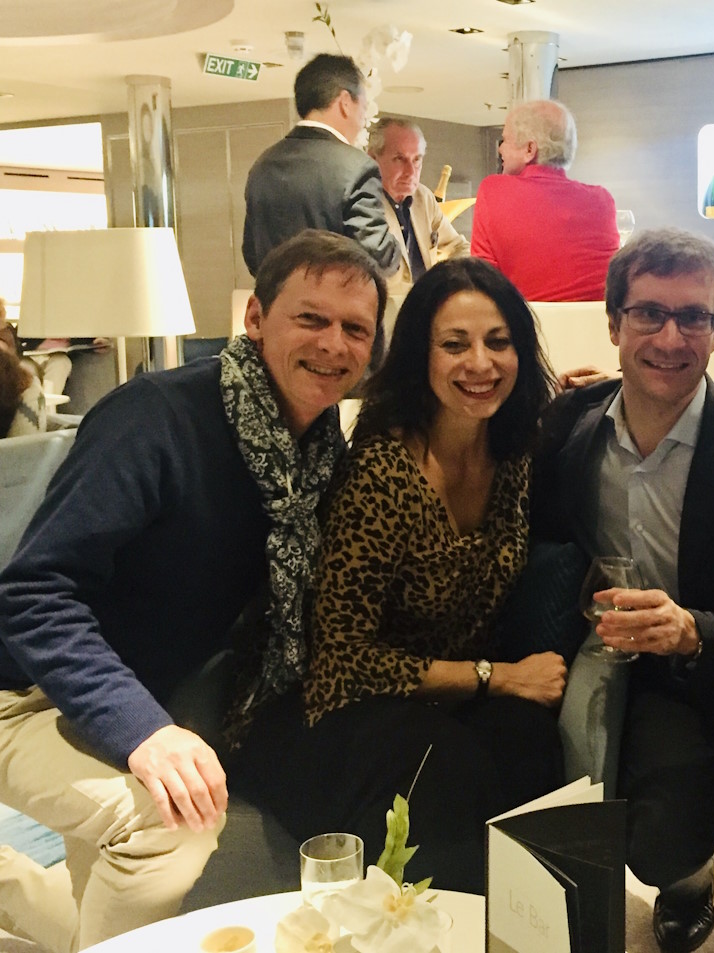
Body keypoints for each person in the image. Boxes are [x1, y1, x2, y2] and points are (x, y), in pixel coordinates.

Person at [0, 230, 383, 953]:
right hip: (23, 690)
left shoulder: (315, 451)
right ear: (255, 318)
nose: (333, 344)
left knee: (98, 910)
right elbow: (33, 591)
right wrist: (143, 730)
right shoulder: (154, 418)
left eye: (355, 328)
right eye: (311, 318)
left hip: (127, 686)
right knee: (168, 826)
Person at [229, 257, 565, 894]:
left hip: (445, 701)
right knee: (446, 764)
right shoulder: (382, 471)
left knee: (529, 740)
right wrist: (494, 677)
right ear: (420, 356)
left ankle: (526, 929)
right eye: (455, 344)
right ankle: (419, 929)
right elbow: (343, 660)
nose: (481, 363)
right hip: (341, 707)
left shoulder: (512, 453)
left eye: (499, 342)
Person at [532, 227, 714, 953]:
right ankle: (679, 870)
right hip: (630, 666)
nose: (669, 337)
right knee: (649, 832)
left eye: (693, 317)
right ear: (613, 323)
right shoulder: (570, 425)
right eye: (649, 313)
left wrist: (692, 631)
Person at [242, 53, 401, 280]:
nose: (363, 120)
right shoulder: (356, 168)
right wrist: (397, 245)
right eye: (363, 108)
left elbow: (252, 255)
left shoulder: (263, 165)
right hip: (334, 300)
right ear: (345, 102)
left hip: (276, 300)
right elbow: (378, 255)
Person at [471, 99, 619, 301]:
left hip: (524, 320)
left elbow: (483, 285)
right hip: (596, 322)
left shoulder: (493, 190)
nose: (500, 149)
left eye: (505, 140)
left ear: (529, 150)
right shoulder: (602, 201)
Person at [366, 117, 470, 350]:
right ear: (372, 159)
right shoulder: (362, 205)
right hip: (383, 326)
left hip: (428, 320)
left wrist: (445, 284)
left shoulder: (423, 198)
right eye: (399, 159)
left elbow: (459, 247)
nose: (411, 171)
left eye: (417, 160)